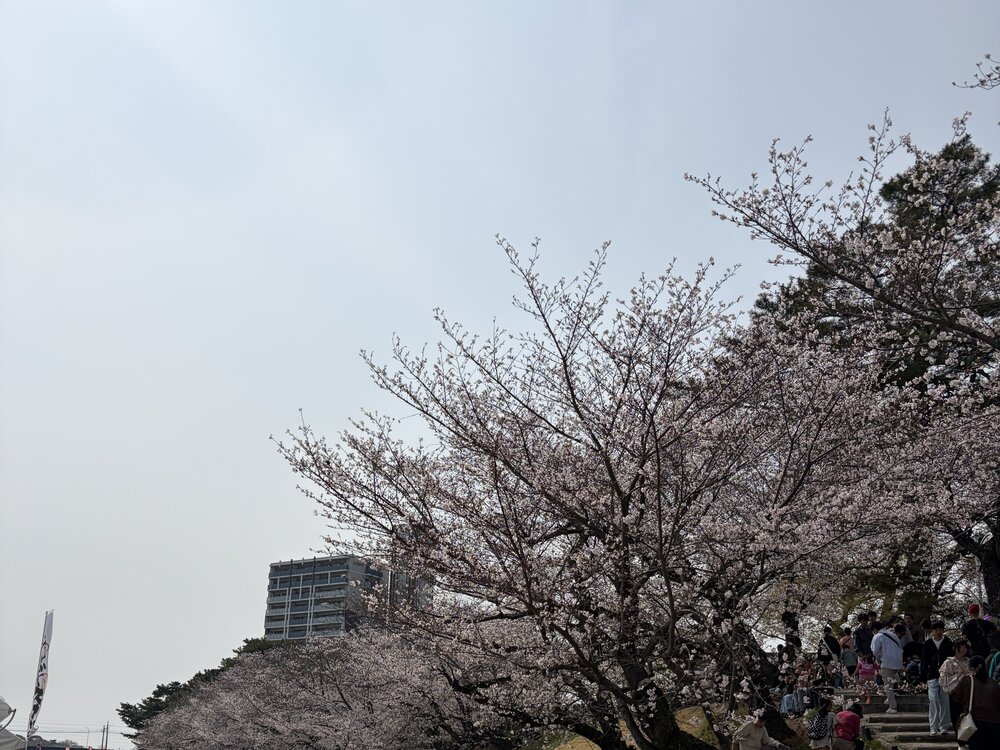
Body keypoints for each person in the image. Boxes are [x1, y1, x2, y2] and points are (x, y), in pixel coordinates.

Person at [953, 655, 1000, 749]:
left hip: (975, 723)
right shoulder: (994, 683)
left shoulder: (967, 680)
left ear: (971, 668)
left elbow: (956, 696)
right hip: (995, 724)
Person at [922, 620, 954, 736]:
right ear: (932, 630)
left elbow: (952, 658)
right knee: (933, 700)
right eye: (936, 629)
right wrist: (923, 677)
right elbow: (924, 661)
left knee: (945, 701)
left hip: (946, 675)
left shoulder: (948, 642)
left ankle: (944, 726)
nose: (939, 632)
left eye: (941, 629)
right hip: (932, 675)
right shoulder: (928, 643)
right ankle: (933, 727)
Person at [941, 638, 973, 741]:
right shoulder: (948, 662)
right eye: (961, 647)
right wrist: (958, 677)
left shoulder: (969, 661)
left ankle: (968, 738)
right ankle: (960, 739)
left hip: (969, 694)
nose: (963, 650)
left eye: (965, 647)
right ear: (955, 648)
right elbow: (943, 680)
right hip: (955, 694)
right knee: (956, 717)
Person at [871, 621, 904, 713]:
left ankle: (893, 707)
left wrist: (878, 660)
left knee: (887, 685)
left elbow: (875, 651)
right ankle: (889, 698)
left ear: (874, 630)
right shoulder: (893, 635)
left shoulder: (877, 636)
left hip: (887, 662)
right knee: (892, 681)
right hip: (898, 662)